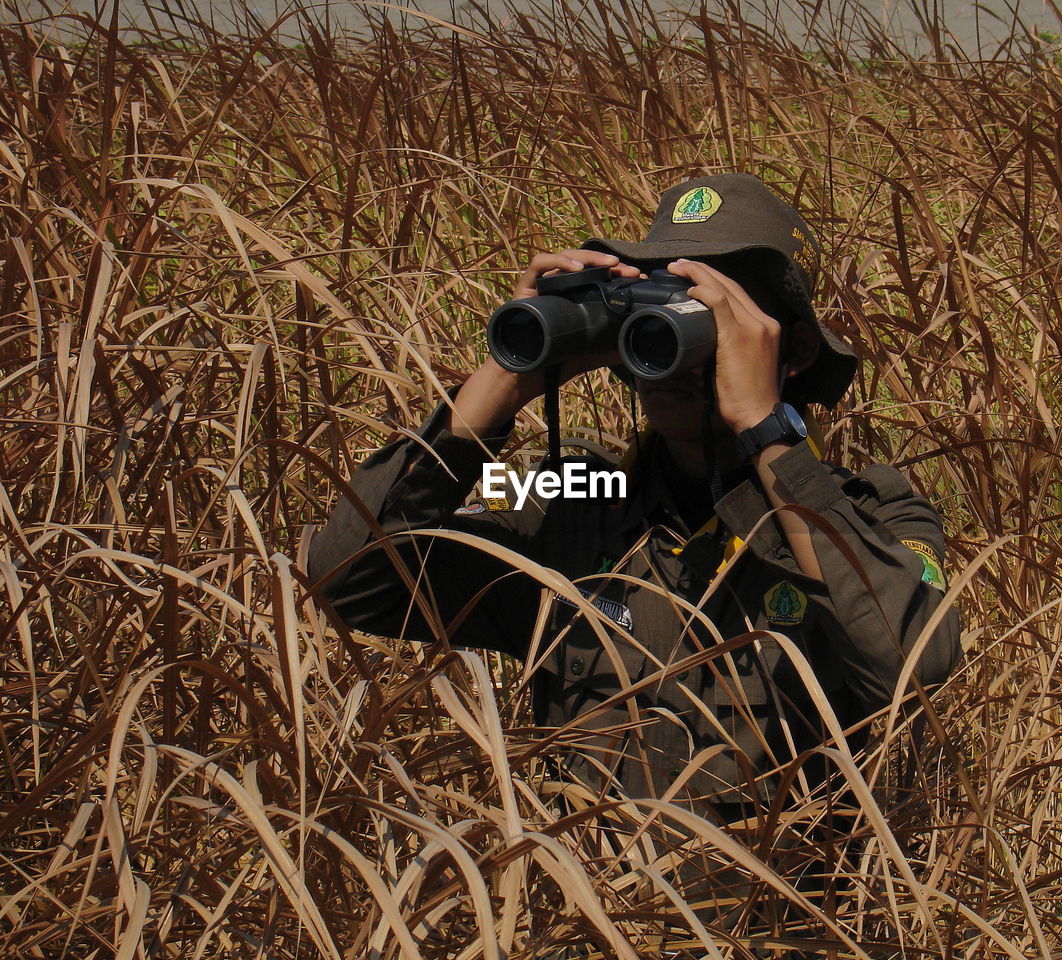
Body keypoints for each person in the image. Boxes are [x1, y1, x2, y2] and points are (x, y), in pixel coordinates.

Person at [306, 173, 961, 945]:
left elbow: (915, 662)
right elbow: (352, 580)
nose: (675, 345)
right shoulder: (575, 495)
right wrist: (505, 381)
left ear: (782, 349)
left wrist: (761, 428)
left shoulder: (871, 512)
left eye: (711, 315)